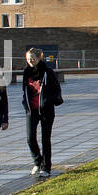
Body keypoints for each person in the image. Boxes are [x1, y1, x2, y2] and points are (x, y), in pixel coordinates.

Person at [21, 48, 62, 177]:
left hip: (46, 111)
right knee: (30, 138)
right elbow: (25, 91)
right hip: (31, 110)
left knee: (45, 139)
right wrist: (25, 103)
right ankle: (38, 161)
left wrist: (48, 100)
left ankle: (46, 167)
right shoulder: (26, 73)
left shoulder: (47, 72)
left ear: (39, 58)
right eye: (28, 59)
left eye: (33, 58)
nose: (30, 61)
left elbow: (56, 89)